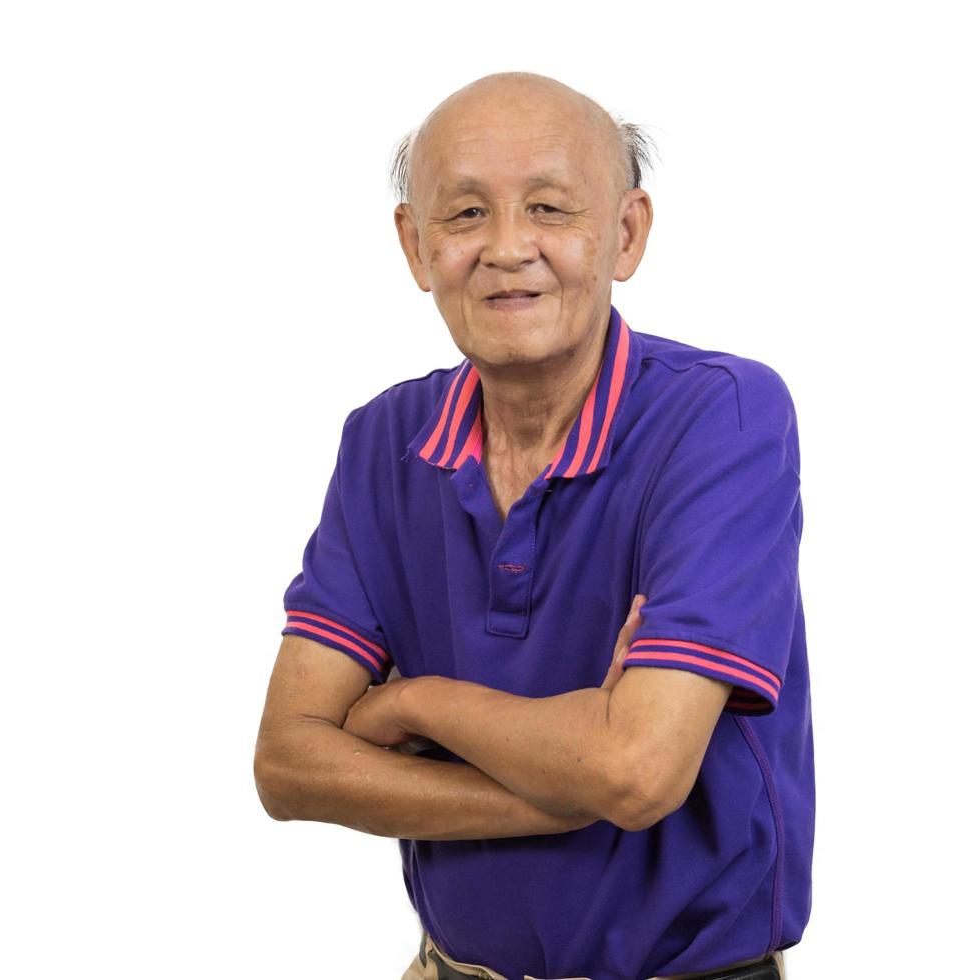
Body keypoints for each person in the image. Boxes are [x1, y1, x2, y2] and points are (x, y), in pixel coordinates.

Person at [253, 72, 812, 980]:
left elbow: (636, 771)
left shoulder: (724, 416)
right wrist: (567, 787)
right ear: (415, 246)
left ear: (625, 233)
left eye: (549, 208)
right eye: (466, 214)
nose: (508, 248)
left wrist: (410, 702)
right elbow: (288, 763)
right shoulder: (382, 443)